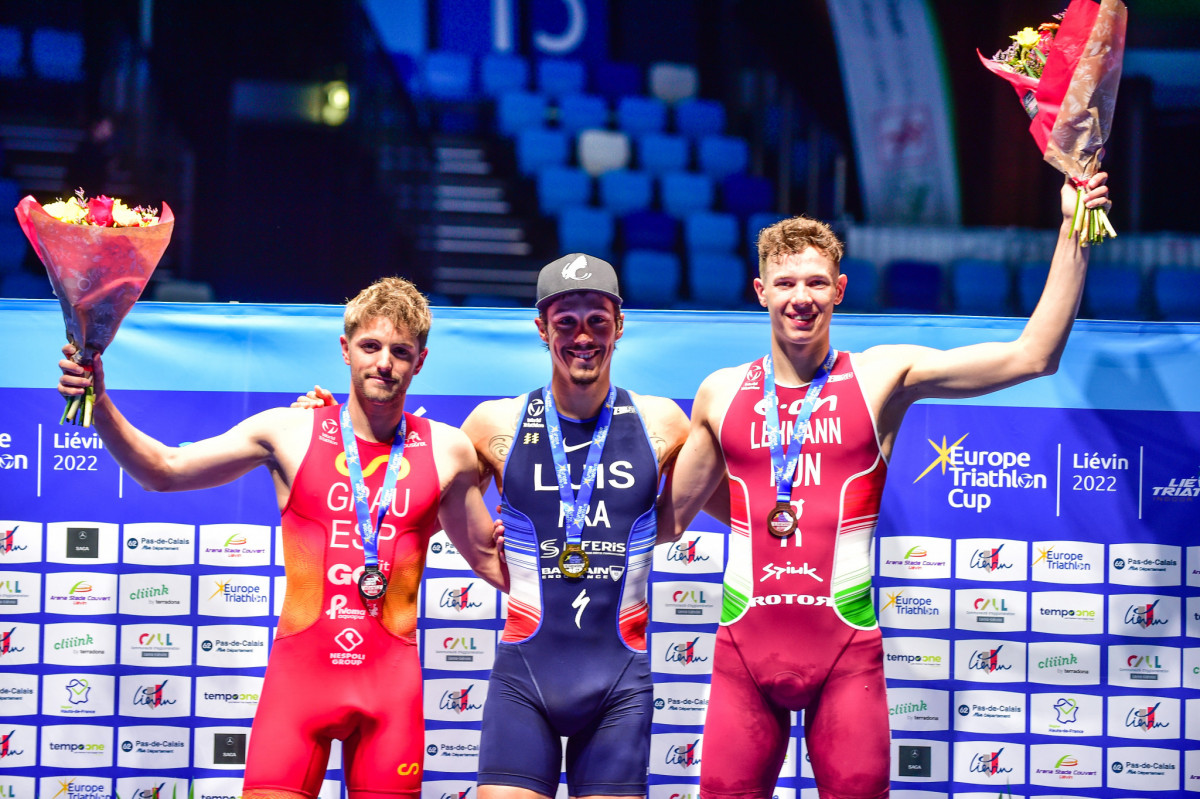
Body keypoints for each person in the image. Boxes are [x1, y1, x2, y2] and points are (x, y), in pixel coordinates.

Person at [658, 174, 1112, 799]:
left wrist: (1072, 230)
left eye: (817, 282)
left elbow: (1034, 355)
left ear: (840, 290)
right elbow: (667, 521)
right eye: (785, 283)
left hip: (845, 658)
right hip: (744, 657)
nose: (801, 298)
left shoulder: (881, 377)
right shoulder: (722, 391)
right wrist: (652, 432)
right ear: (760, 291)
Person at [57, 276, 506, 799]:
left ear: (419, 361)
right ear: (346, 349)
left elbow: (491, 562)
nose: (384, 363)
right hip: (299, 690)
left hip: (392, 696)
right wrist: (99, 403)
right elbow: (164, 470)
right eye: (371, 346)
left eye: (400, 351)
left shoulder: (448, 450)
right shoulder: (290, 430)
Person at [463, 254, 689, 799]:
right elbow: (419, 487)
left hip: (619, 686)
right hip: (524, 679)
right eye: (566, 322)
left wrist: (640, 536)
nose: (582, 337)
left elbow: (730, 501)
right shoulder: (495, 422)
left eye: (597, 321)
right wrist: (331, 417)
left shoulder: (662, 421)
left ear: (620, 325)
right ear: (542, 329)